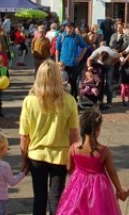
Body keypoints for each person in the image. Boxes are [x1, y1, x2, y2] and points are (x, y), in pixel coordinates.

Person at [19, 60, 79, 215]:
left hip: (36, 155)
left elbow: (24, 135)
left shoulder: (29, 101)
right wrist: (74, 158)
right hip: (60, 156)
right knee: (56, 197)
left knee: (39, 197)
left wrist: (23, 158)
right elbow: (74, 134)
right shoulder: (69, 100)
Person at [56, 109, 124, 215]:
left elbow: (69, 168)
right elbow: (112, 172)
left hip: (78, 184)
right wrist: (119, 189)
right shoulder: (104, 151)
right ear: (97, 129)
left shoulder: (73, 148)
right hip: (99, 188)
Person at [0, 133, 27, 215]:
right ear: (3, 149)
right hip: (1, 198)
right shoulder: (5, 165)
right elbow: (12, 182)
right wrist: (23, 173)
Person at [55, 21, 88, 100]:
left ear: (73, 28)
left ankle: (73, 99)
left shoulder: (76, 37)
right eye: (67, 27)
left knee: (73, 83)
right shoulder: (61, 37)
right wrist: (57, 61)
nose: (69, 29)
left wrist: (80, 57)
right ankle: (62, 99)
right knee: (62, 83)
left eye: (70, 28)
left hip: (73, 64)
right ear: (65, 28)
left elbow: (85, 47)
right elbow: (57, 50)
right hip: (63, 65)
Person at [87, 45, 122, 110]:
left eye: (104, 60)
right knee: (100, 82)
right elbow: (89, 59)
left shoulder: (112, 54)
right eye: (102, 60)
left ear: (109, 56)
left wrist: (113, 63)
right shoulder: (96, 52)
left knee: (109, 83)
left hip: (109, 66)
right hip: (99, 65)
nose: (103, 62)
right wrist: (89, 66)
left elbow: (119, 55)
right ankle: (100, 100)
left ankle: (109, 102)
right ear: (99, 56)